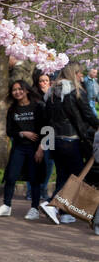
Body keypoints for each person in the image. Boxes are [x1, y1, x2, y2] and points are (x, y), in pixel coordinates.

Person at [40, 63, 99, 224]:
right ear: (74, 73)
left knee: (62, 175)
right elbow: (87, 114)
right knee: (77, 177)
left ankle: (64, 211)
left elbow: (46, 118)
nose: (81, 76)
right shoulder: (76, 92)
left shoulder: (51, 93)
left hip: (55, 139)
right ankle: (51, 203)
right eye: (79, 73)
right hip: (71, 139)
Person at [0, 79, 46, 219]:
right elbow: (9, 131)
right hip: (19, 148)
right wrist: (22, 133)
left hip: (35, 148)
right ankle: (6, 206)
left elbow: (47, 128)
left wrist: (41, 148)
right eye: (14, 90)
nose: (17, 92)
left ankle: (34, 208)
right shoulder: (13, 110)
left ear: (26, 90)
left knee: (34, 179)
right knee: (11, 176)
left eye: (20, 89)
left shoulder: (38, 107)